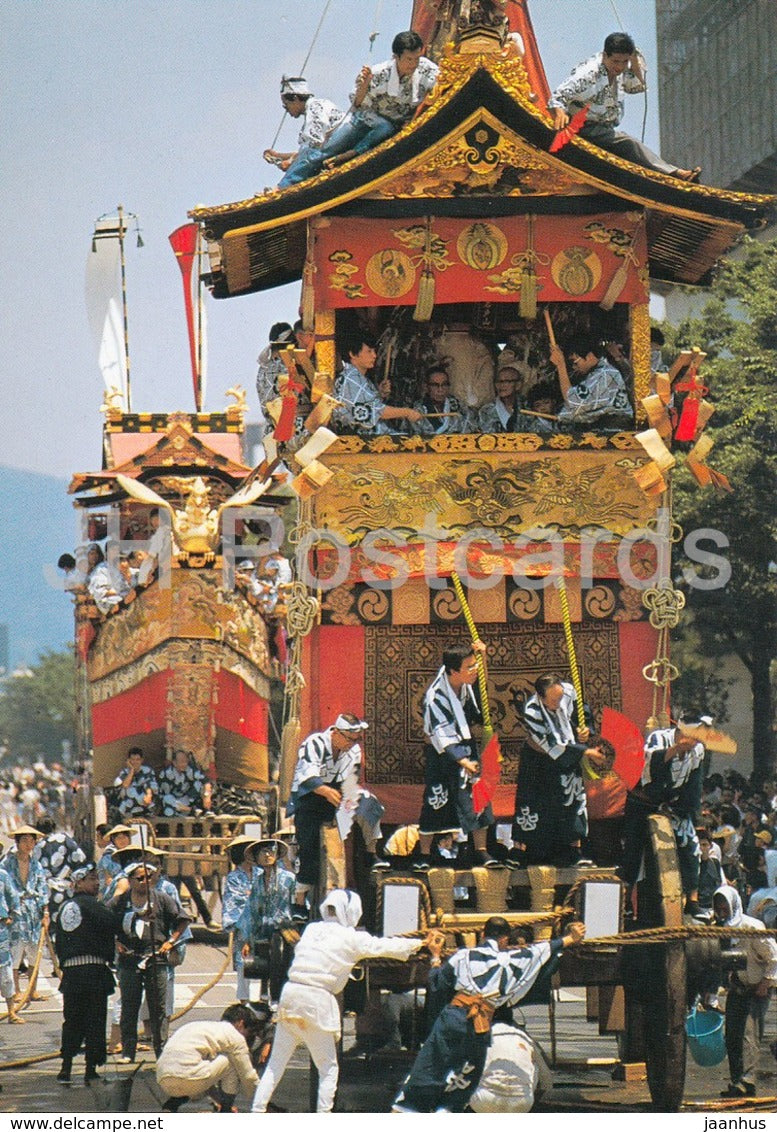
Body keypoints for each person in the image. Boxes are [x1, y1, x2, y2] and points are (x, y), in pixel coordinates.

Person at [251, 889, 436, 1113]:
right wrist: (420, 943)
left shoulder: (311, 929)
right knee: (328, 1069)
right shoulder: (351, 938)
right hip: (316, 1000)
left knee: (275, 1066)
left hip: (291, 996)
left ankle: (256, 1113)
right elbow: (383, 947)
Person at [392, 915, 585, 1112]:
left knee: (432, 1071)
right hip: (483, 1021)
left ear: (482, 935)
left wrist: (435, 956)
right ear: (505, 939)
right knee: (463, 1079)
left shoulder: (462, 956)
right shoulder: (518, 958)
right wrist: (572, 937)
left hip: (457, 1016)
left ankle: (409, 1106)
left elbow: (437, 985)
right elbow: (548, 948)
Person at [277, 31, 438, 185]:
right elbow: (357, 104)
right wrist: (364, 86)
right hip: (364, 120)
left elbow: (442, 82)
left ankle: (353, 153)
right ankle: (284, 186)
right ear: (396, 57)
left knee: (387, 127)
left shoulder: (425, 69)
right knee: (323, 151)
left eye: (417, 58)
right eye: (409, 59)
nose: (414, 64)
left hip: (395, 126)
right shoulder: (378, 73)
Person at [548, 31, 701, 181]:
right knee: (629, 144)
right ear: (605, 56)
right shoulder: (588, 74)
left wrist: (633, 60)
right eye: (615, 61)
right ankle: (676, 173)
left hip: (604, 129)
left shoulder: (622, 70)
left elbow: (637, 86)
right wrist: (560, 113)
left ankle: (665, 175)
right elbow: (558, 96)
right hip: (583, 127)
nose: (620, 67)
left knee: (628, 149)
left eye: (624, 62)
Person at [286, 713, 386, 921]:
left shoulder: (353, 750)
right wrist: (324, 791)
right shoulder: (314, 744)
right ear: (336, 733)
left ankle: (371, 852)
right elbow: (306, 776)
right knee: (309, 846)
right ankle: (298, 901)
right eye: (349, 738)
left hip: (337, 794)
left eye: (355, 739)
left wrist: (348, 799)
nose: (352, 744)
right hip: (311, 796)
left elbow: (351, 780)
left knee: (370, 803)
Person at [414, 641, 497, 872]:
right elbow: (441, 734)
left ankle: (481, 851)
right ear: (453, 671)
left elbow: (481, 690)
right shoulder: (436, 697)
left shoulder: (464, 683)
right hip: (442, 752)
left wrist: (484, 658)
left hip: (465, 746)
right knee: (436, 800)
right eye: (469, 666)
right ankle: (424, 854)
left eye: (474, 665)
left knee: (478, 796)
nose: (475, 670)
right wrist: (462, 760)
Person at [511, 674, 607, 867]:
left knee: (571, 798)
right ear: (541, 697)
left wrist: (584, 730)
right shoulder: (532, 712)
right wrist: (585, 751)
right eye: (554, 700)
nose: (559, 702)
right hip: (539, 759)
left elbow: (582, 715)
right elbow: (551, 745)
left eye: (560, 697)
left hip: (570, 752)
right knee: (537, 803)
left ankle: (574, 849)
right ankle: (531, 851)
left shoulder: (568, 692)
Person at [623, 713, 706, 915]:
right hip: (642, 801)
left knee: (690, 844)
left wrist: (683, 809)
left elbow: (693, 784)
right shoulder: (659, 738)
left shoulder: (699, 750)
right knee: (633, 852)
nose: (695, 741)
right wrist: (676, 748)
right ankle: (625, 901)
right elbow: (649, 764)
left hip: (672, 805)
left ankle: (692, 900)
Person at [112, 860, 192, 1061]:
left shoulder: (163, 899)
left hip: (156, 957)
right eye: (140, 878)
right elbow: (105, 921)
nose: (145, 881)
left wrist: (171, 942)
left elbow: (183, 920)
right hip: (129, 958)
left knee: (158, 1007)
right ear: (130, 881)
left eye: (149, 877)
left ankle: (161, 1050)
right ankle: (128, 1051)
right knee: (130, 1006)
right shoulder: (120, 902)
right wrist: (115, 942)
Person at [54, 864, 117, 1085]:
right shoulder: (94, 906)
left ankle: (66, 1068)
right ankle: (90, 1068)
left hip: (71, 974)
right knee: (94, 1020)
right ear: (79, 883)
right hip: (93, 972)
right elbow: (112, 924)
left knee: (71, 1021)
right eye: (92, 879)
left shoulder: (63, 908)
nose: (97, 882)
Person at [714, 884, 777, 1099]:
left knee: (748, 1036)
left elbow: (774, 958)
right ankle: (736, 1081)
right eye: (718, 908)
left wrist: (766, 983)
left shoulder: (753, 928)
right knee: (732, 1035)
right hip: (737, 986)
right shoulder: (720, 930)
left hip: (757, 988)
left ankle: (747, 1081)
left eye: (724, 908)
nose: (721, 912)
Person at [156, 1002, 261, 1113]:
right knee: (232, 1061)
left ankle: (170, 1106)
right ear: (241, 1023)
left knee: (192, 1074)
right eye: (248, 1032)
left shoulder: (201, 1027)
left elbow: (207, 1081)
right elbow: (248, 1076)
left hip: (163, 1079)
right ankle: (226, 1111)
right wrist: (261, 1099)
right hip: (191, 1077)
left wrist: (218, 1100)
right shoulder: (234, 1036)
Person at [332, 330, 423, 437]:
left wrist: (379, 393)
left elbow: (368, 405)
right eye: (369, 351)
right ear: (353, 354)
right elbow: (376, 411)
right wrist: (407, 412)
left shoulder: (356, 376)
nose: (374, 355)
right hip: (359, 439)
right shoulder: (350, 378)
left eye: (374, 351)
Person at [468, 1004, 553, 1112]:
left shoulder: (480, 1036)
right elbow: (546, 1079)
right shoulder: (525, 1037)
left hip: (485, 1100)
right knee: (534, 1064)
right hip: (522, 1103)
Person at [265, 76, 344, 189]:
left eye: (286, 105)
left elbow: (313, 148)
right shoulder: (314, 107)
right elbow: (307, 151)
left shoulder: (315, 108)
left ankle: (281, 188)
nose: (287, 110)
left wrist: (290, 162)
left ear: (295, 98)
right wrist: (278, 156)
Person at [238, 839, 296, 988]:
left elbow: (298, 904)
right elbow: (251, 911)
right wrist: (246, 940)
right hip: (264, 929)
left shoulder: (289, 879)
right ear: (257, 857)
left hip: (285, 928)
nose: (267, 854)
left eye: (270, 850)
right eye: (262, 851)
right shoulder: (257, 882)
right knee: (263, 967)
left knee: (285, 964)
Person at [0, 825, 49, 1002]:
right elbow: (4, 888)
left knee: (34, 950)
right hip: (16, 911)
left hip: (33, 911)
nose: (28, 844)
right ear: (17, 842)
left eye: (31, 841)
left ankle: (33, 989)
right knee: (16, 950)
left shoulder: (36, 864)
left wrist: (45, 911)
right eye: (25, 840)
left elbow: (42, 887)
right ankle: (16, 990)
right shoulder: (7, 863)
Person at [550, 335, 633, 429]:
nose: (574, 367)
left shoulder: (605, 373)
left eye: (575, 362)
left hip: (614, 430)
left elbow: (575, 403)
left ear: (589, 356)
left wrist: (561, 365)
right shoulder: (597, 372)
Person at [221, 836, 260, 1003]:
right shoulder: (234, 877)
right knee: (244, 966)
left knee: (265, 965)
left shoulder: (263, 873)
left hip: (264, 926)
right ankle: (245, 1003)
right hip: (244, 928)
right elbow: (235, 902)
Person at [33, 818, 87, 931]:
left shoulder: (36, 847)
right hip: (67, 888)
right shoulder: (64, 839)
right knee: (69, 923)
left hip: (47, 891)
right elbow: (80, 857)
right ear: (54, 827)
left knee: (52, 926)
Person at [413, 364, 471, 436]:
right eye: (435, 385)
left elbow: (471, 430)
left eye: (444, 385)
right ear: (426, 387)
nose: (440, 390)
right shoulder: (418, 410)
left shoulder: (459, 407)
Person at [158, 749, 213, 818]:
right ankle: (192, 811)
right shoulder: (166, 774)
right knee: (167, 801)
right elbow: (162, 795)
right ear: (174, 763)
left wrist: (207, 796)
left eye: (186, 761)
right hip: (173, 803)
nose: (184, 764)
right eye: (181, 762)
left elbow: (205, 781)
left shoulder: (190, 770)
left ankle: (206, 810)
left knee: (199, 784)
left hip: (187, 800)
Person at [477, 364, 526, 432]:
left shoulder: (527, 406)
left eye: (507, 381)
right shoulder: (486, 410)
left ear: (518, 385)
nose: (501, 385)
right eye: (499, 381)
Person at [113, 747, 158, 819]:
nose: (135, 762)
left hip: (145, 802)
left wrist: (149, 795)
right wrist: (131, 771)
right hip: (129, 804)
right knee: (130, 790)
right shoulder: (124, 772)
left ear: (141, 760)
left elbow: (150, 784)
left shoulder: (147, 770)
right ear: (129, 760)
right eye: (132, 760)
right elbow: (125, 785)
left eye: (137, 760)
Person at [0, 869, 21, 1023]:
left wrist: (11, 916)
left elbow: (13, 896)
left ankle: (11, 1011)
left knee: (6, 973)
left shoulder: (3, 874)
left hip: (1, 928)